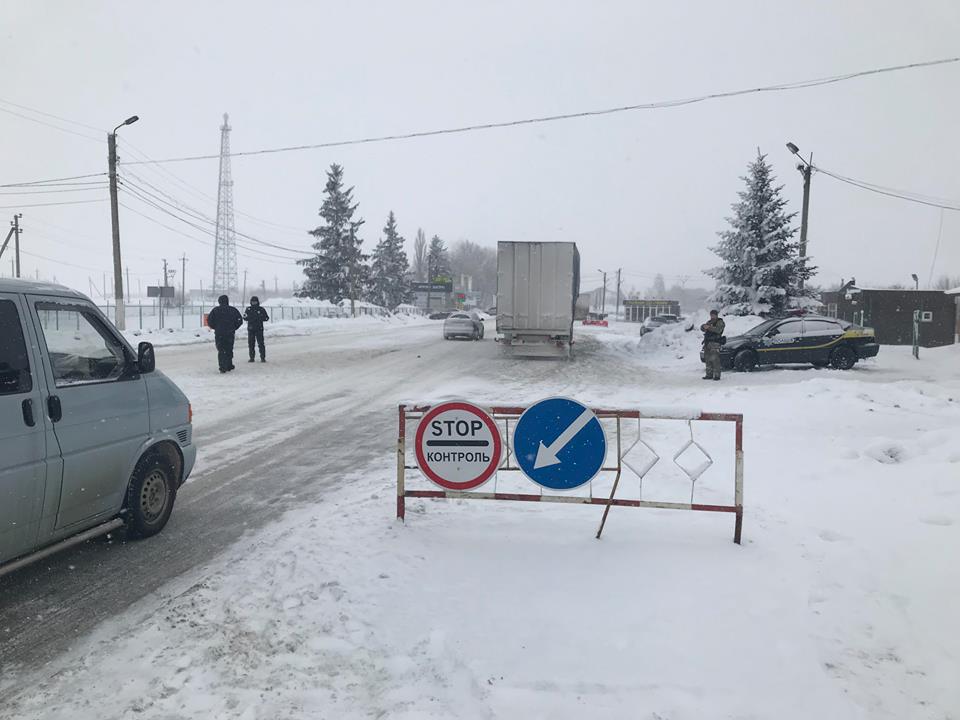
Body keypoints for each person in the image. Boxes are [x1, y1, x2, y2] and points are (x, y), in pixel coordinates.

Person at [206, 295, 243, 373]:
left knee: (221, 350)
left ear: (219, 301)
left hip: (219, 333)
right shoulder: (233, 310)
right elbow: (239, 320)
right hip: (230, 333)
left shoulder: (215, 310)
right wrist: (234, 327)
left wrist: (215, 327)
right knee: (229, 349)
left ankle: (222, 367)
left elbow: (209, 321)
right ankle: (229, 365)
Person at [700, 309, 726, 380]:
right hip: (707, 342)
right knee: (708, 359)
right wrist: (703, 326)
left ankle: (717, 375)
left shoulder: (720, 322)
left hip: (715, 342)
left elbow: (718, 330)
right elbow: (703, 329)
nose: (712, 316)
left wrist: (709, 327)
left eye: (713, 315)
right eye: (711, 315)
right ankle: (709, 374)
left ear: (716, 315)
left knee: (715, 359)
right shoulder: (709, 322)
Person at [243, 296, 270, 363]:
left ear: (257, 302)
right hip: (251, 329)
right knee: (251, 344)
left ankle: (263, 358)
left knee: (261, 344)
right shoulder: (248, 309)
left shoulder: (261, 309)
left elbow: (266, 318)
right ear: (251, 302)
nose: (254, 303)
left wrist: (259, 317)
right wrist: (250, 318)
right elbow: (244, 317)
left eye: (255, 301)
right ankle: (252, 358)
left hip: (259, 329)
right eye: (252, 301)